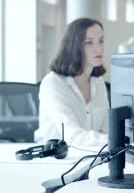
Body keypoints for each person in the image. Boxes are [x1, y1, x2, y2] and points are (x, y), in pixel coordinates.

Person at [35, 18, 109, 147]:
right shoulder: (53, 83)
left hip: (90, 157)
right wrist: (116, 141)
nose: (99, 49)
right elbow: (72, 136)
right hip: (55, 161)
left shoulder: (98, 83)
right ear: (74, 46)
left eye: (101, 41)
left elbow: (106, 130)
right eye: (89, 42)